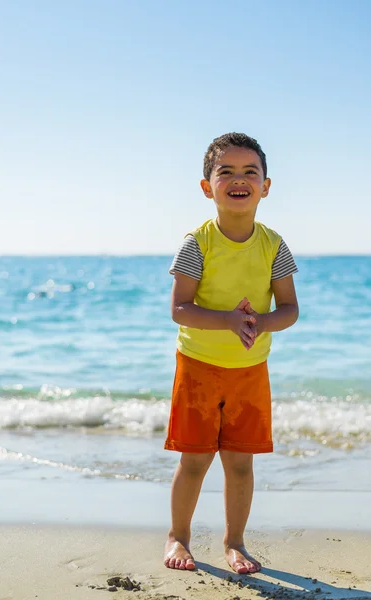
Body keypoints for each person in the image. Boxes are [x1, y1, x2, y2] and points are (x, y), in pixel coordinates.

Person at [163, 132, 299, 574]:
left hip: (249, 369)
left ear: (266, 185)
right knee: (196, 460)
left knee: (240, 463)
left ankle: (234, 543)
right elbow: (180, 309)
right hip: (199, 367)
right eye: (227, 172)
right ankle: (178, 537)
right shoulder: (197, 243)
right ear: (207, 187)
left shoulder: (273, 245)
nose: (239, 179)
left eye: (250, 172)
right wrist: (227, 319)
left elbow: (290, 309)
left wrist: (259, 322)